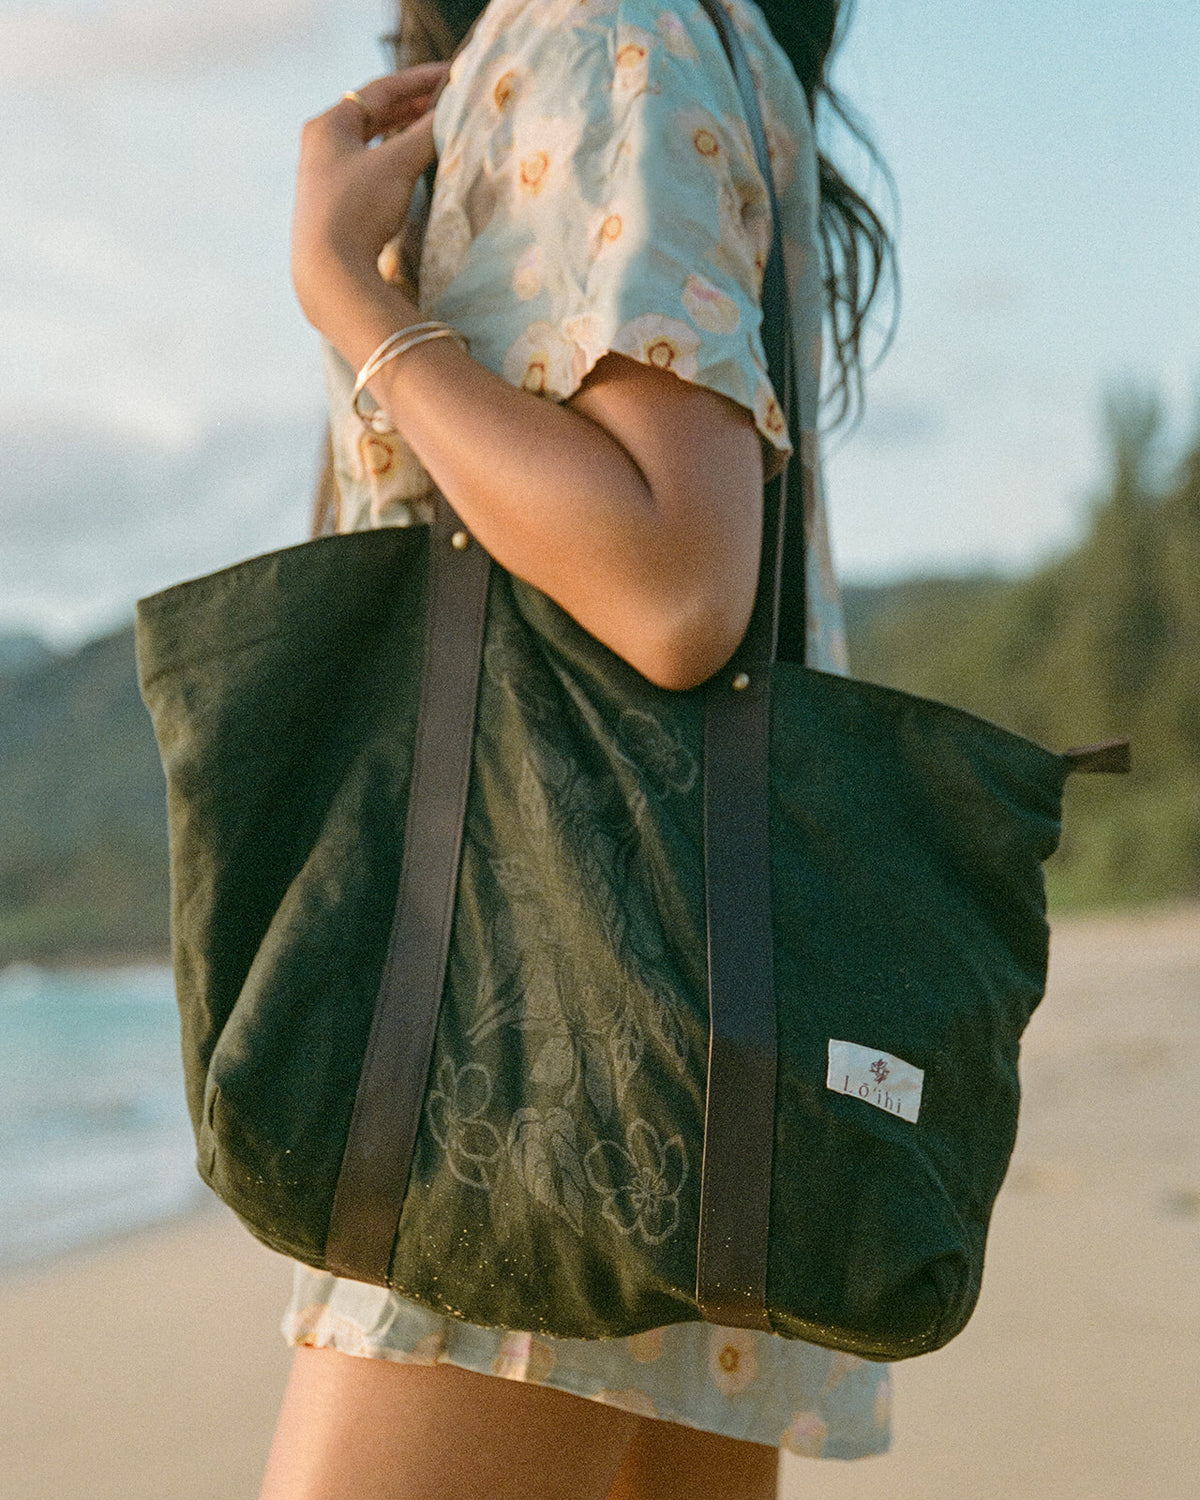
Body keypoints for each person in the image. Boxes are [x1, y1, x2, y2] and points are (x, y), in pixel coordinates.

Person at [263, 0, 894, 1494]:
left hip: (541, 1064)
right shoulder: (682, 40)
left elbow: (675, 585)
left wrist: (346, 295)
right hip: (703, 1032)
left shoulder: (612, 27)